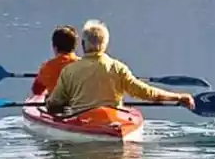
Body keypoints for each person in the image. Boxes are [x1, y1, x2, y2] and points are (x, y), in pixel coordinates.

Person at [44, 19, 196, 116]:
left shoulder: (70, 71)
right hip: (113, 122)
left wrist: (50, 103)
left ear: (83, 45)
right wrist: (179, 97)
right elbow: (147, 93)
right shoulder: (118, 68)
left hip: (82, 122)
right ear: (105, 45)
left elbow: (54, 104)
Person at [28, 26, 78, 101]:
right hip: (80, 106)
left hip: (57, 107)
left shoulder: (47, 67)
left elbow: (36, 91)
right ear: (74, 46)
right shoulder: (84, 64)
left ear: (55, 47)